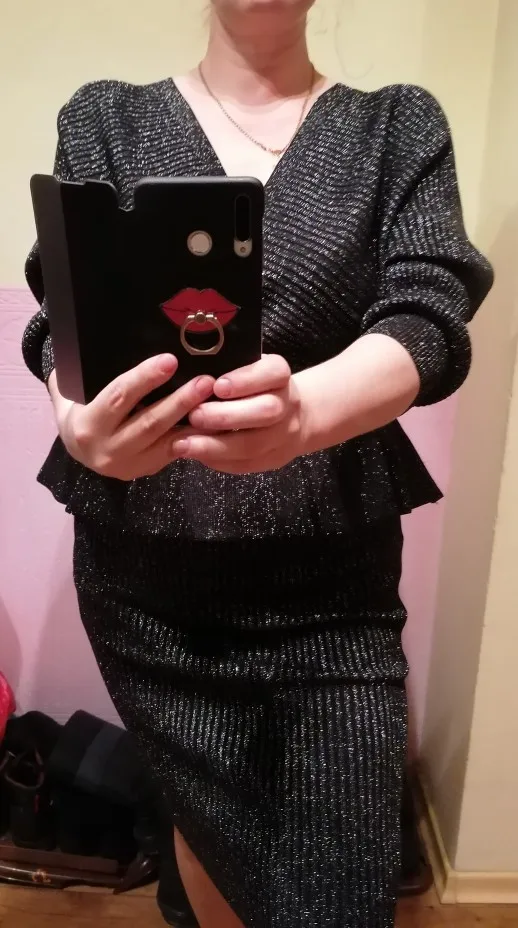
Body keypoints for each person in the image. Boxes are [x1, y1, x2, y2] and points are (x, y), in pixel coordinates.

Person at [22, 1, 493, 926]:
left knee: (339, 896)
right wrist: (77, 426)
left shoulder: (397, 125)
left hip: (333, 585)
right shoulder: (105, 117)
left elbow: (429, 314)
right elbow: (61, 313)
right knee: (206, 823)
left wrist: (305, 415)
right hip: (145, 588)